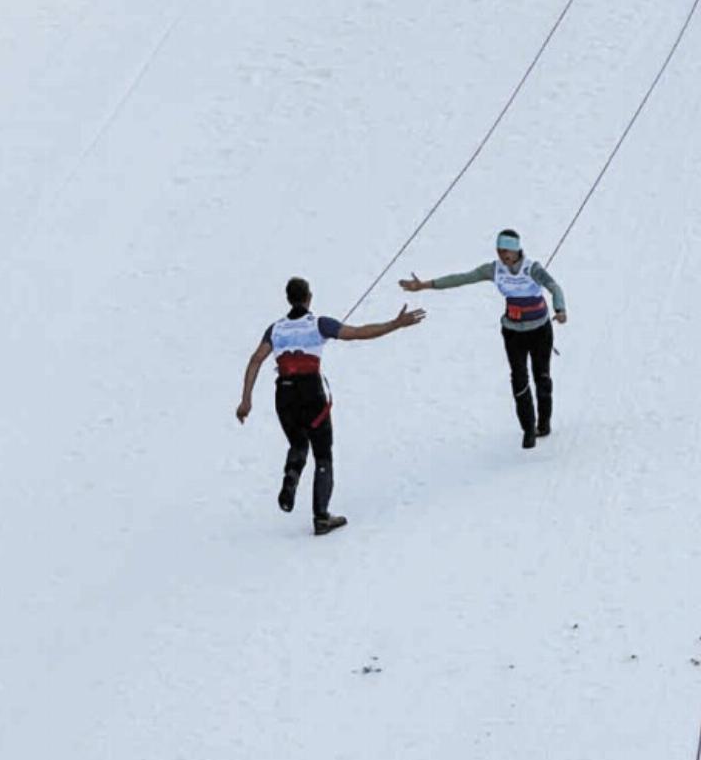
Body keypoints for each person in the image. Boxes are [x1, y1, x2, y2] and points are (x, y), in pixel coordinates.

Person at [236, 277, 423, 536]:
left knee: (298, 444)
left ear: (288, 299)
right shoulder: (319, 324)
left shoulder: (275, 329)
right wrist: (395, 324)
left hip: (284, 395)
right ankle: (321, 517)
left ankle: (291, 479)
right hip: (311, 392)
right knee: (322, 453)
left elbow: (256, 360)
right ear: (309, 297)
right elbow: (358, 333)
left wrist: (246, 400)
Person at [400, 230, 567, 451]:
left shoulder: (532, 268)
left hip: (540, 331)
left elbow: (554, 287)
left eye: (506, 251)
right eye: (499, 251)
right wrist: (425, 285)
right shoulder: (493, 269)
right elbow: (462, 278)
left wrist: (560, 308)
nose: (502, 255)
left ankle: (543, 423)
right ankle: (528, 429)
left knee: (542, 376)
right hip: (513, 332)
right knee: (519, 378)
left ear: (516, 250)